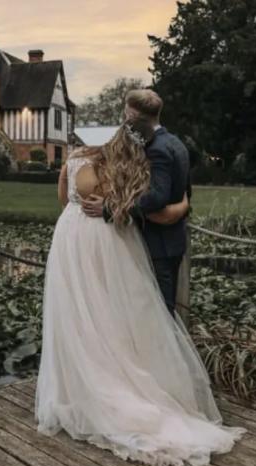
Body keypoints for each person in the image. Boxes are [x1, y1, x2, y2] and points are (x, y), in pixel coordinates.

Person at [36, 120, 244, 466]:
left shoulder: (73, 160)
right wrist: (177, 206)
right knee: (109, 310)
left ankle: (83, 387)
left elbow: (62, 199)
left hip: (73, 236)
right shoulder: (111, 165)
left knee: (81, 311)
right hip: (98, 237)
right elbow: (120, 205)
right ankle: (114, 377)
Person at [82, 89, 190, 315]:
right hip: (172, 238)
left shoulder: (156, 149)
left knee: (158, 311)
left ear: (132, 115)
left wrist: (109, 208)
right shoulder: (175, 142)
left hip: (158, 242)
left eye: (125, 112)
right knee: (159, 308)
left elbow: (157, 196)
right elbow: (182, 189)